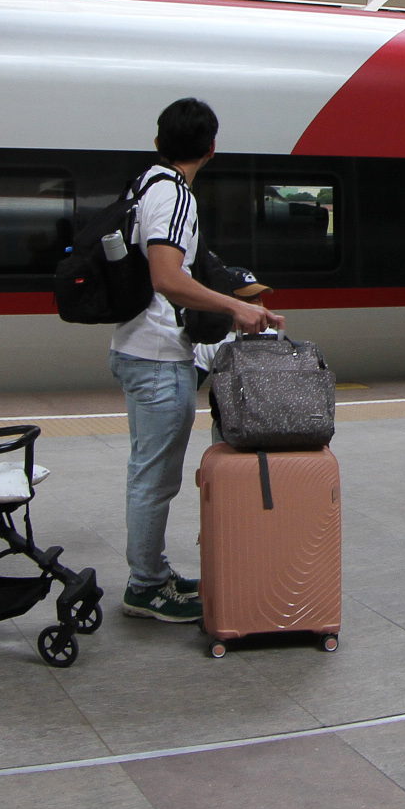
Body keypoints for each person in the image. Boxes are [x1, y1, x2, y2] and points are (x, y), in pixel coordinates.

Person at [113, 97, 283, 623]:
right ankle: (145, 586)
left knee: (150, 475)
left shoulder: (143, 184)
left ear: (158, 140)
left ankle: (153, 574)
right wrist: (236, 306)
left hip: (140, 348)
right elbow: (167, 278)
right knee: (155, 479)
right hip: (159, 356)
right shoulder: (174, 195)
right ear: (211, 149)